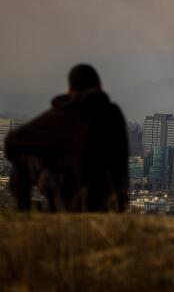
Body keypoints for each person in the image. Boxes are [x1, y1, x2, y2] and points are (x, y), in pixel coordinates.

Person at [4, 64, 129, 212]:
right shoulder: (114, 114)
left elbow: (12, 141)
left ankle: (23, 212)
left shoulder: (64, 113)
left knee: (22, 159)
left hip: (72, 202)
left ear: (70, 90)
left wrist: (51, 156)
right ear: (100, 86)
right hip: (112, 204)